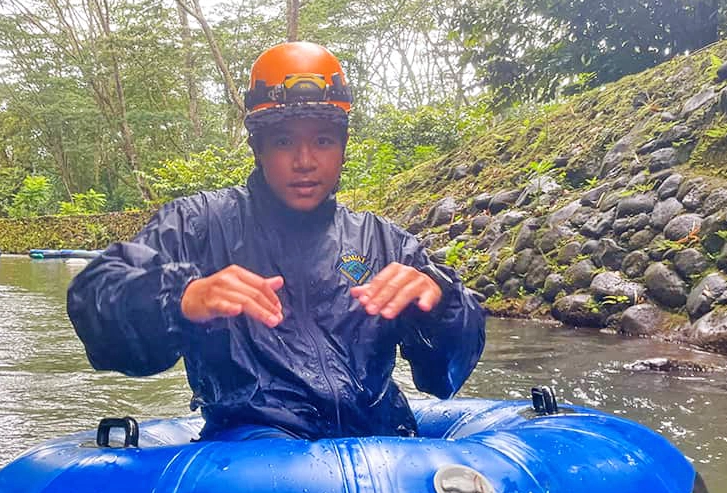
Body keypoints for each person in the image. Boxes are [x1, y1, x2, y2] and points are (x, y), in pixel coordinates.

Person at [67, 41, 485, 440]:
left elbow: (445, 375)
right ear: (258, 148)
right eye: (284, 141)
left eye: (322, 140)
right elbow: (98, 297)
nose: (305, 162)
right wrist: (183, 297)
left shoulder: (384, 242)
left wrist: (442, 301)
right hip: (251, 456)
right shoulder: (199, 223)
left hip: (380, 447)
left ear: (342, 148)